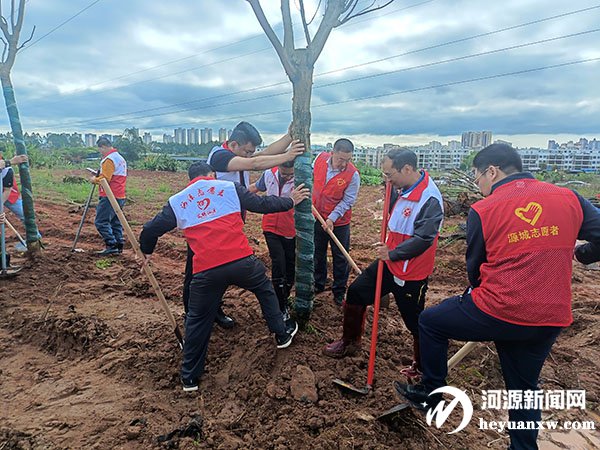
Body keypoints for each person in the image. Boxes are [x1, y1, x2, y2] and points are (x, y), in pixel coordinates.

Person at [395, 144, 600, 450]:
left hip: (499, 309)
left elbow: (475, 270)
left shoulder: (485, 209)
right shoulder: (568, 197)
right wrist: (582, 254)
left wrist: (483, 305)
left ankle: (432, 394)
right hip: (550, 316)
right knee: (524, 390)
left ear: (492, 171)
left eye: (477, 177)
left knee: (430, 322)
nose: (479, 185)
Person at [139, 162, 309, 391]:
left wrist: (147, 251)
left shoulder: (178, 201)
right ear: (211, 175)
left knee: (198, 320)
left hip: (206, 271)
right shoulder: (229, 188)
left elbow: (150, 229)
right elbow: (263, 204)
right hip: (241, 261)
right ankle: (281, 334)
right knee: (264, 288)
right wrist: (290, 201)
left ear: (190, 179)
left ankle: (189, 378)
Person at [323, 148, 444, 382]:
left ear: (407, 169)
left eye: (390, 174)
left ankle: (421, 367)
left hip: (411, 271)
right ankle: (350, 342)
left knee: (415, 321)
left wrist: (393, 253)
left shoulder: (429, 198)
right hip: (389, 263)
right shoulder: (400, 188)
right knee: (356, 292)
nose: (387, 179)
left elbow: (424, 238)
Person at [191, 121, 303, 328]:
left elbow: (264, 154)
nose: (251, 155)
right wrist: (288, 156)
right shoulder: (219, 156)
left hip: (227, 224)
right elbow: (256, 164)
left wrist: (288, 137)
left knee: (216, 270)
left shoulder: (237, 156)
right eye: (248, 151)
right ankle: (196, 316)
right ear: (233, 145)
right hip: (210, 226)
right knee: (201, 273)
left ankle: (213, 311)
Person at [312, 138, 361, 305]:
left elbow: (348, 201)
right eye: (341, 159)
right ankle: (318, 283)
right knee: (318, 253)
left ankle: (339, 290)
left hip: (339, 222)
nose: (344, 164)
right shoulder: (319, 159)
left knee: (340, 256)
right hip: (317, 216)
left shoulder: (353, 175)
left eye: (348, 160)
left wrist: (332, 218)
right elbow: (311, 179)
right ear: (332, 153)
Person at [249, 160, 296, 321]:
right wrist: (237, 195)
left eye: (290, 174)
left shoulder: (301, 179)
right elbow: (255, 187)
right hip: (270, 226)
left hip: (290, 228)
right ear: (279, 167)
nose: (287, 176)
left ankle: (284, 296)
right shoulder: (269, 174)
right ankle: (280, 306)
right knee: (278, 263)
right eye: (284, 173)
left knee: (290, 265)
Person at [91, 137, 127, 256]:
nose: (100, 152)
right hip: (120, 195)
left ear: (103, 147)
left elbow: (105, 179)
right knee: (115, 221)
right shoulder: (120, 158)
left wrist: (94, 179)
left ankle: (111, 245)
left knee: (101, 221)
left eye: (100, 149)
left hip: (109, 195)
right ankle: (119, 244)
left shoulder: (109, 159)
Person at [0, 153, 40, 250]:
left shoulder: (7, 170)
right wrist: (12, 161)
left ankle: (36, 239)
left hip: (8, 192)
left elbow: (7, 189)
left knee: (24, 214)